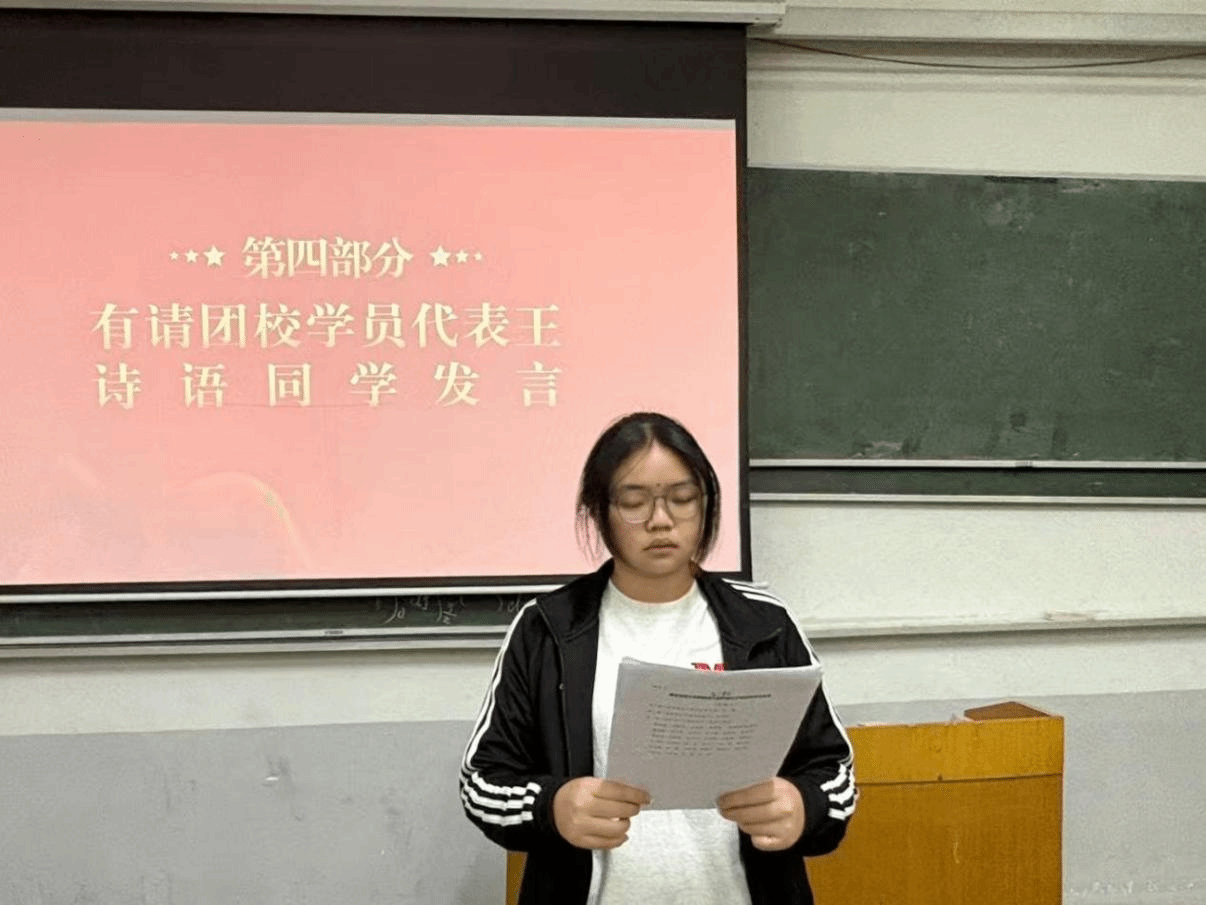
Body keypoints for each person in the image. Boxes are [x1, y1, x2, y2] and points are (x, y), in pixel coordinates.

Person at [459, 412, 855, 905]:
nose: (660, 520)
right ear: (599, 511)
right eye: (633, 502)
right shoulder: (548, 629)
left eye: (682, 498)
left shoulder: (762, 624)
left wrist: (803, 805)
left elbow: (834, 771)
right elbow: (482, 782)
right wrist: (552, 808)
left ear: (706, 504)